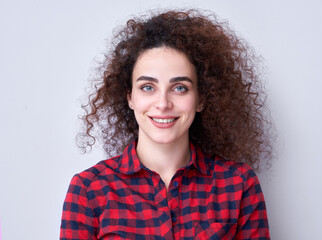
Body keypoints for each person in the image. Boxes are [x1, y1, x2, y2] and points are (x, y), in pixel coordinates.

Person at [60, 9, 273, 240]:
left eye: (179, 87)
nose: (162, 104)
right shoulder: (89, 190)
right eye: (148, 87)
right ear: (130, 97)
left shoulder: (239, 184)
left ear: (201, 99)